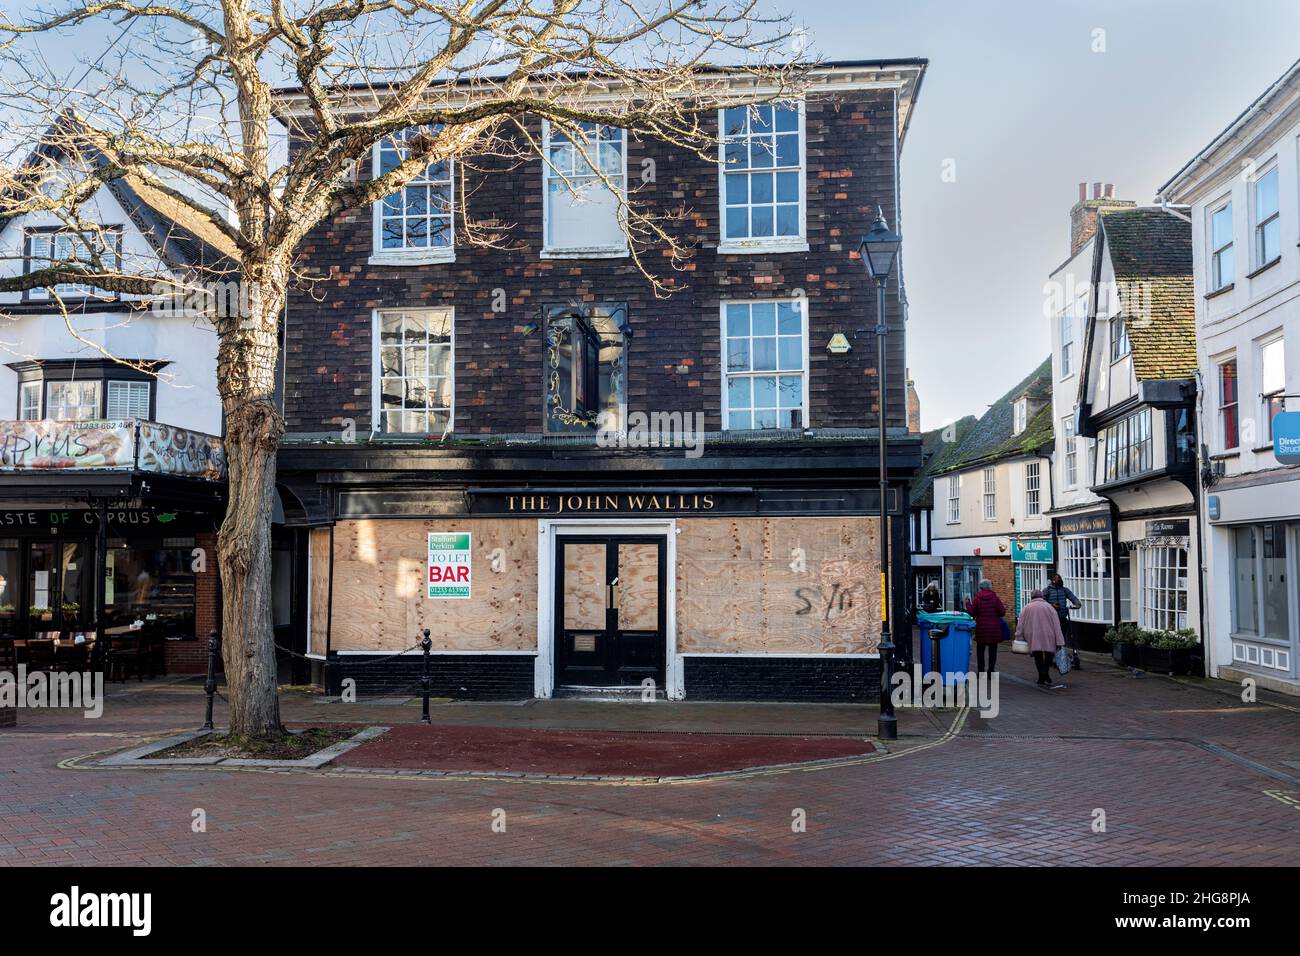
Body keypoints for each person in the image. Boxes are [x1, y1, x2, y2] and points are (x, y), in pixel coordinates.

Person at [1017, 588, 1066, 688]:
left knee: (1037, 655)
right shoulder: (1049, 607)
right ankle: (1045, 671)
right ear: (1042, 596)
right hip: (1049, 634)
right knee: (1049, 655)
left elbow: (1020, 623)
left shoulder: (1026, 607)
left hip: (1033, 634)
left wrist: (1019, 635)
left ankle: (1041, 676)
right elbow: (1056, 624)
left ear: (1032, 597)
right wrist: (1060, 639)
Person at [964, 579, 1006, 675]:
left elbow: (972, 612)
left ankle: (981, 671)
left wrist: (967, 603)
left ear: (980, 587)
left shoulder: (977, 598)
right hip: (994, 628)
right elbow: (1002, 612)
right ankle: (991, 671)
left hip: (982, 628)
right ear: (989, 587)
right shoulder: (995, 598)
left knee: (980, 651)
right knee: (993, 651)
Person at [1043, 572, 1082, 667]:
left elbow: (1073, 597)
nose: (1059, 580)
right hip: (1051, 619)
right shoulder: (1047, 590)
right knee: (1053, 638)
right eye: (1057, 578)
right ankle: (1052, 656)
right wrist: (1051, 605)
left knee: (1062, 637)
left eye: (1060, 578)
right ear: (1053, 580)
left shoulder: (1064, 590)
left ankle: (1060, 654)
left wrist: (1077, 603)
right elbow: (1042, 602)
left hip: (1062, 617)